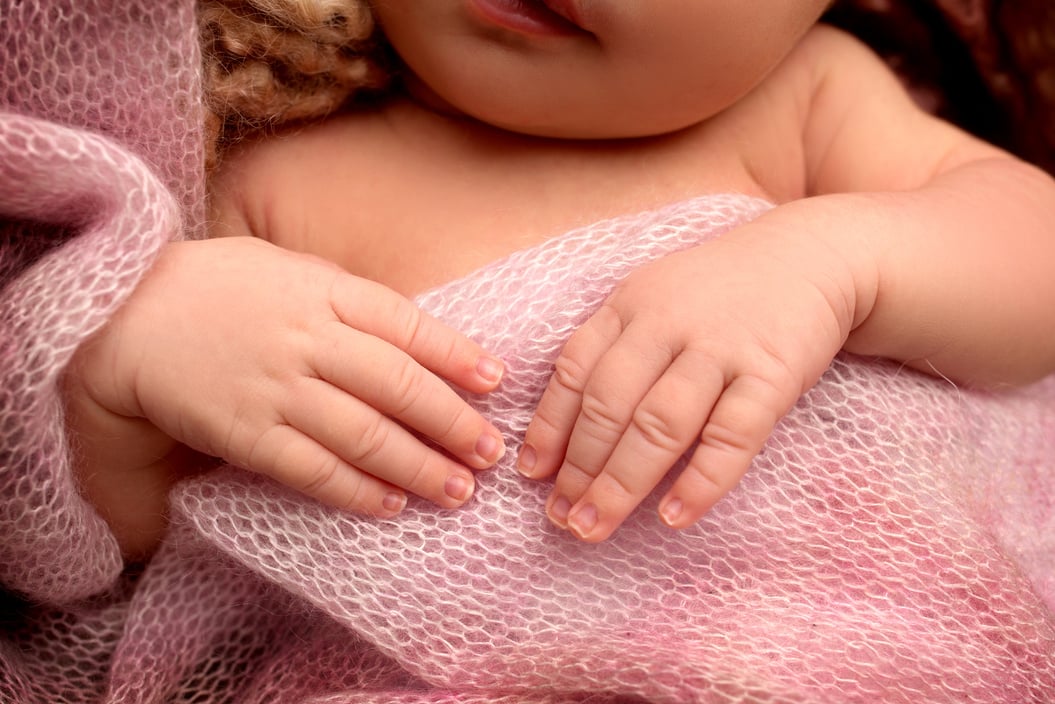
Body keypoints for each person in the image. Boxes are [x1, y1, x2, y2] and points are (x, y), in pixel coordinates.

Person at [63, 0, 1055, 557]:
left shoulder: (807, 102)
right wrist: (126, 367)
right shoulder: (276, 181)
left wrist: (839, 260)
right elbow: (145, 549)